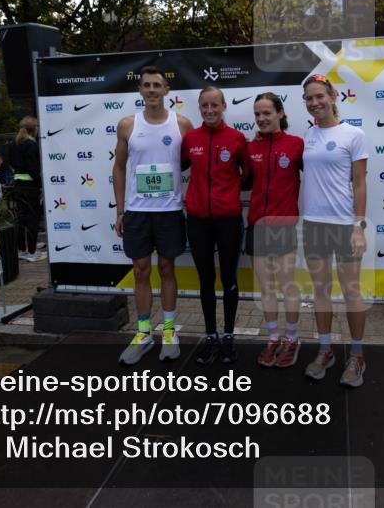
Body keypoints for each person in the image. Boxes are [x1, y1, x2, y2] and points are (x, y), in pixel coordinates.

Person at [113, 65, 193, 365]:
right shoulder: (127, 125)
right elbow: (119, 167)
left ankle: (170, 332)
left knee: (168, 270)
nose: (151, 90)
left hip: (170, 211)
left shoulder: (182, 124)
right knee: (140, 270)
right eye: (146, 85)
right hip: (137, 211)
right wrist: (120, 209)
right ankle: (144, 332)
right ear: (140, 91)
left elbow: (192, 163)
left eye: (156, 85)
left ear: (166, 91)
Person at [300, 74, 369, 387]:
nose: (315, 103)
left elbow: (360, 183)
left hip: (344, 225)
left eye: (319, 96)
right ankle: (325, 349)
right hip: (314, 224)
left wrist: (359, 227)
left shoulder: (354, 134)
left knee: (351, 291)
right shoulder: (308, 135)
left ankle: (356, 356)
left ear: (332, 96)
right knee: (321, 290)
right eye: (309, 99)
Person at [181, 86, 247, 364]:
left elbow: (247, 175)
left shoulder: (237, 138)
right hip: (197, 221)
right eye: (204, 106)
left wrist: (228, 194)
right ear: (199, 108)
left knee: (229, 280)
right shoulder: (190, 139)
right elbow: (182, 167)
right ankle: (210, 336)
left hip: (229, 220)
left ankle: (228, 336)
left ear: (223, 106)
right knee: (206, 280)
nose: (209, 110)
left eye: (214, 105)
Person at [244, 92, 304, 368]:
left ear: (280, 113)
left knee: (287, 284)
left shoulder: (296, 145)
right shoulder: (251, 148)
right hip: (257, 224)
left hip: (284, 225)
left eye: (267, 112)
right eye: (257, 114)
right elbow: (244, 182)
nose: (261, 118)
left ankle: (292, 340)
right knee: (266, 287)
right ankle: (273, 339)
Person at [8, 116, 45, 262]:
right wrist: (40, 184)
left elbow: (12, 164)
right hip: (30, 187)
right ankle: (32, 251)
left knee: (21, 218)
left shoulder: (14, 143)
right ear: (34, 129)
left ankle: (22, 250)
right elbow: (33, 169)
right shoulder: (31, 144)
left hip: (18, 184)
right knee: (32, 219)